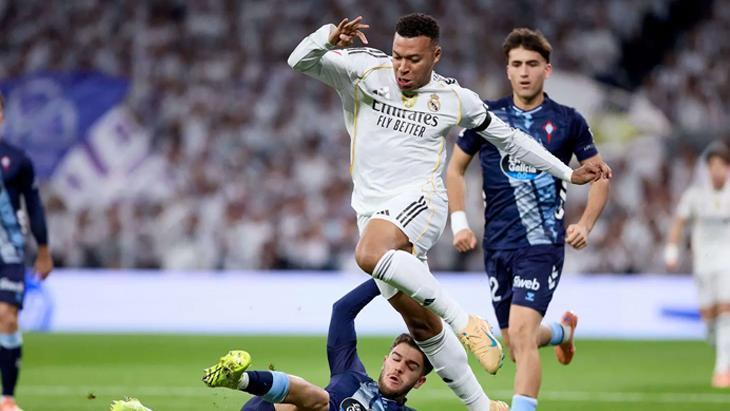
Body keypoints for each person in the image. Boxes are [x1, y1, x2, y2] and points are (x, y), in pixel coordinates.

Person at [287, 13, 608, 409]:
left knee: (368, 255)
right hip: (371, 210)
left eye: (414, 59)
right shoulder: (364, 69)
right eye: (398, 56)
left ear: (435, 55)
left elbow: (510, 140)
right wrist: (327, 37)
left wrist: (568, 173)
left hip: (421, 201)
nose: (403, 67)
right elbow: (298, 60)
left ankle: (467, 322)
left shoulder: (455, 99)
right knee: (421, 324)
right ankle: (483, 406)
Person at [446, 28, 611, 410]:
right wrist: (460, 223)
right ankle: (561, 332)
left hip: (541, 244)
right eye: (517, 64)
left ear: (546, 70)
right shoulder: (486, 116)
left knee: (521, 334)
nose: (524, 72)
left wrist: (585, 224)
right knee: (515, 341)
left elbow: (600, 175)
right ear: (507, 70)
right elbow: (455, 169)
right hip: (497, 245)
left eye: (532, 64)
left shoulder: (568, 121)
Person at [203, 279, 509, 410]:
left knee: (319, 400)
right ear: (385, 359)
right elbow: (342, 311)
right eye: (397, 359)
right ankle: (238, 379)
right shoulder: (350, 372)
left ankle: (241, 380)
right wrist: (388, 276)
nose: (399, 368)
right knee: (317, 399)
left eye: (411, 367)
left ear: (419, 382)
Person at [0, 93, 54, 411]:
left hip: (8, 251)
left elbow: (34, 206)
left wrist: (43, 250)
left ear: (2, 116)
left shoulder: (17, 160)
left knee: (7, 317)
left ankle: (7, 398)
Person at [665, 141, 730, 388]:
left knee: (726, 312)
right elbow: (679, 222)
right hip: (703, 263)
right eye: (713, 166)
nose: (717, 171)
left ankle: (722, 370)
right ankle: (723, 352)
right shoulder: (695, 195)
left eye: (721, 166)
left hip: (727, 261)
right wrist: (671, 250)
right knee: (709, 323)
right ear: (708, 169)